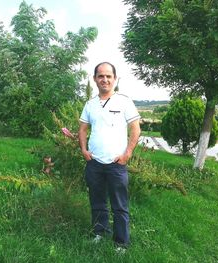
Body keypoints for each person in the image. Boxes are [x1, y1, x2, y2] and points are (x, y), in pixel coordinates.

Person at [78, 62, 141, 249]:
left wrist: (127, 154)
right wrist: (84, 150)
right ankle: (99, 232)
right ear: (95, 79)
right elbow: (82, 129)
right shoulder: (90, 104)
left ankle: (121, 243)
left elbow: (135, 129)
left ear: (115, 79)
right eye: (100, 76)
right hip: (94, 163)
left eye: (108, 76)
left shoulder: (124, 101)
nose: (104, 79)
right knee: (97, 201)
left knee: (119, 205)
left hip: (116, 164)